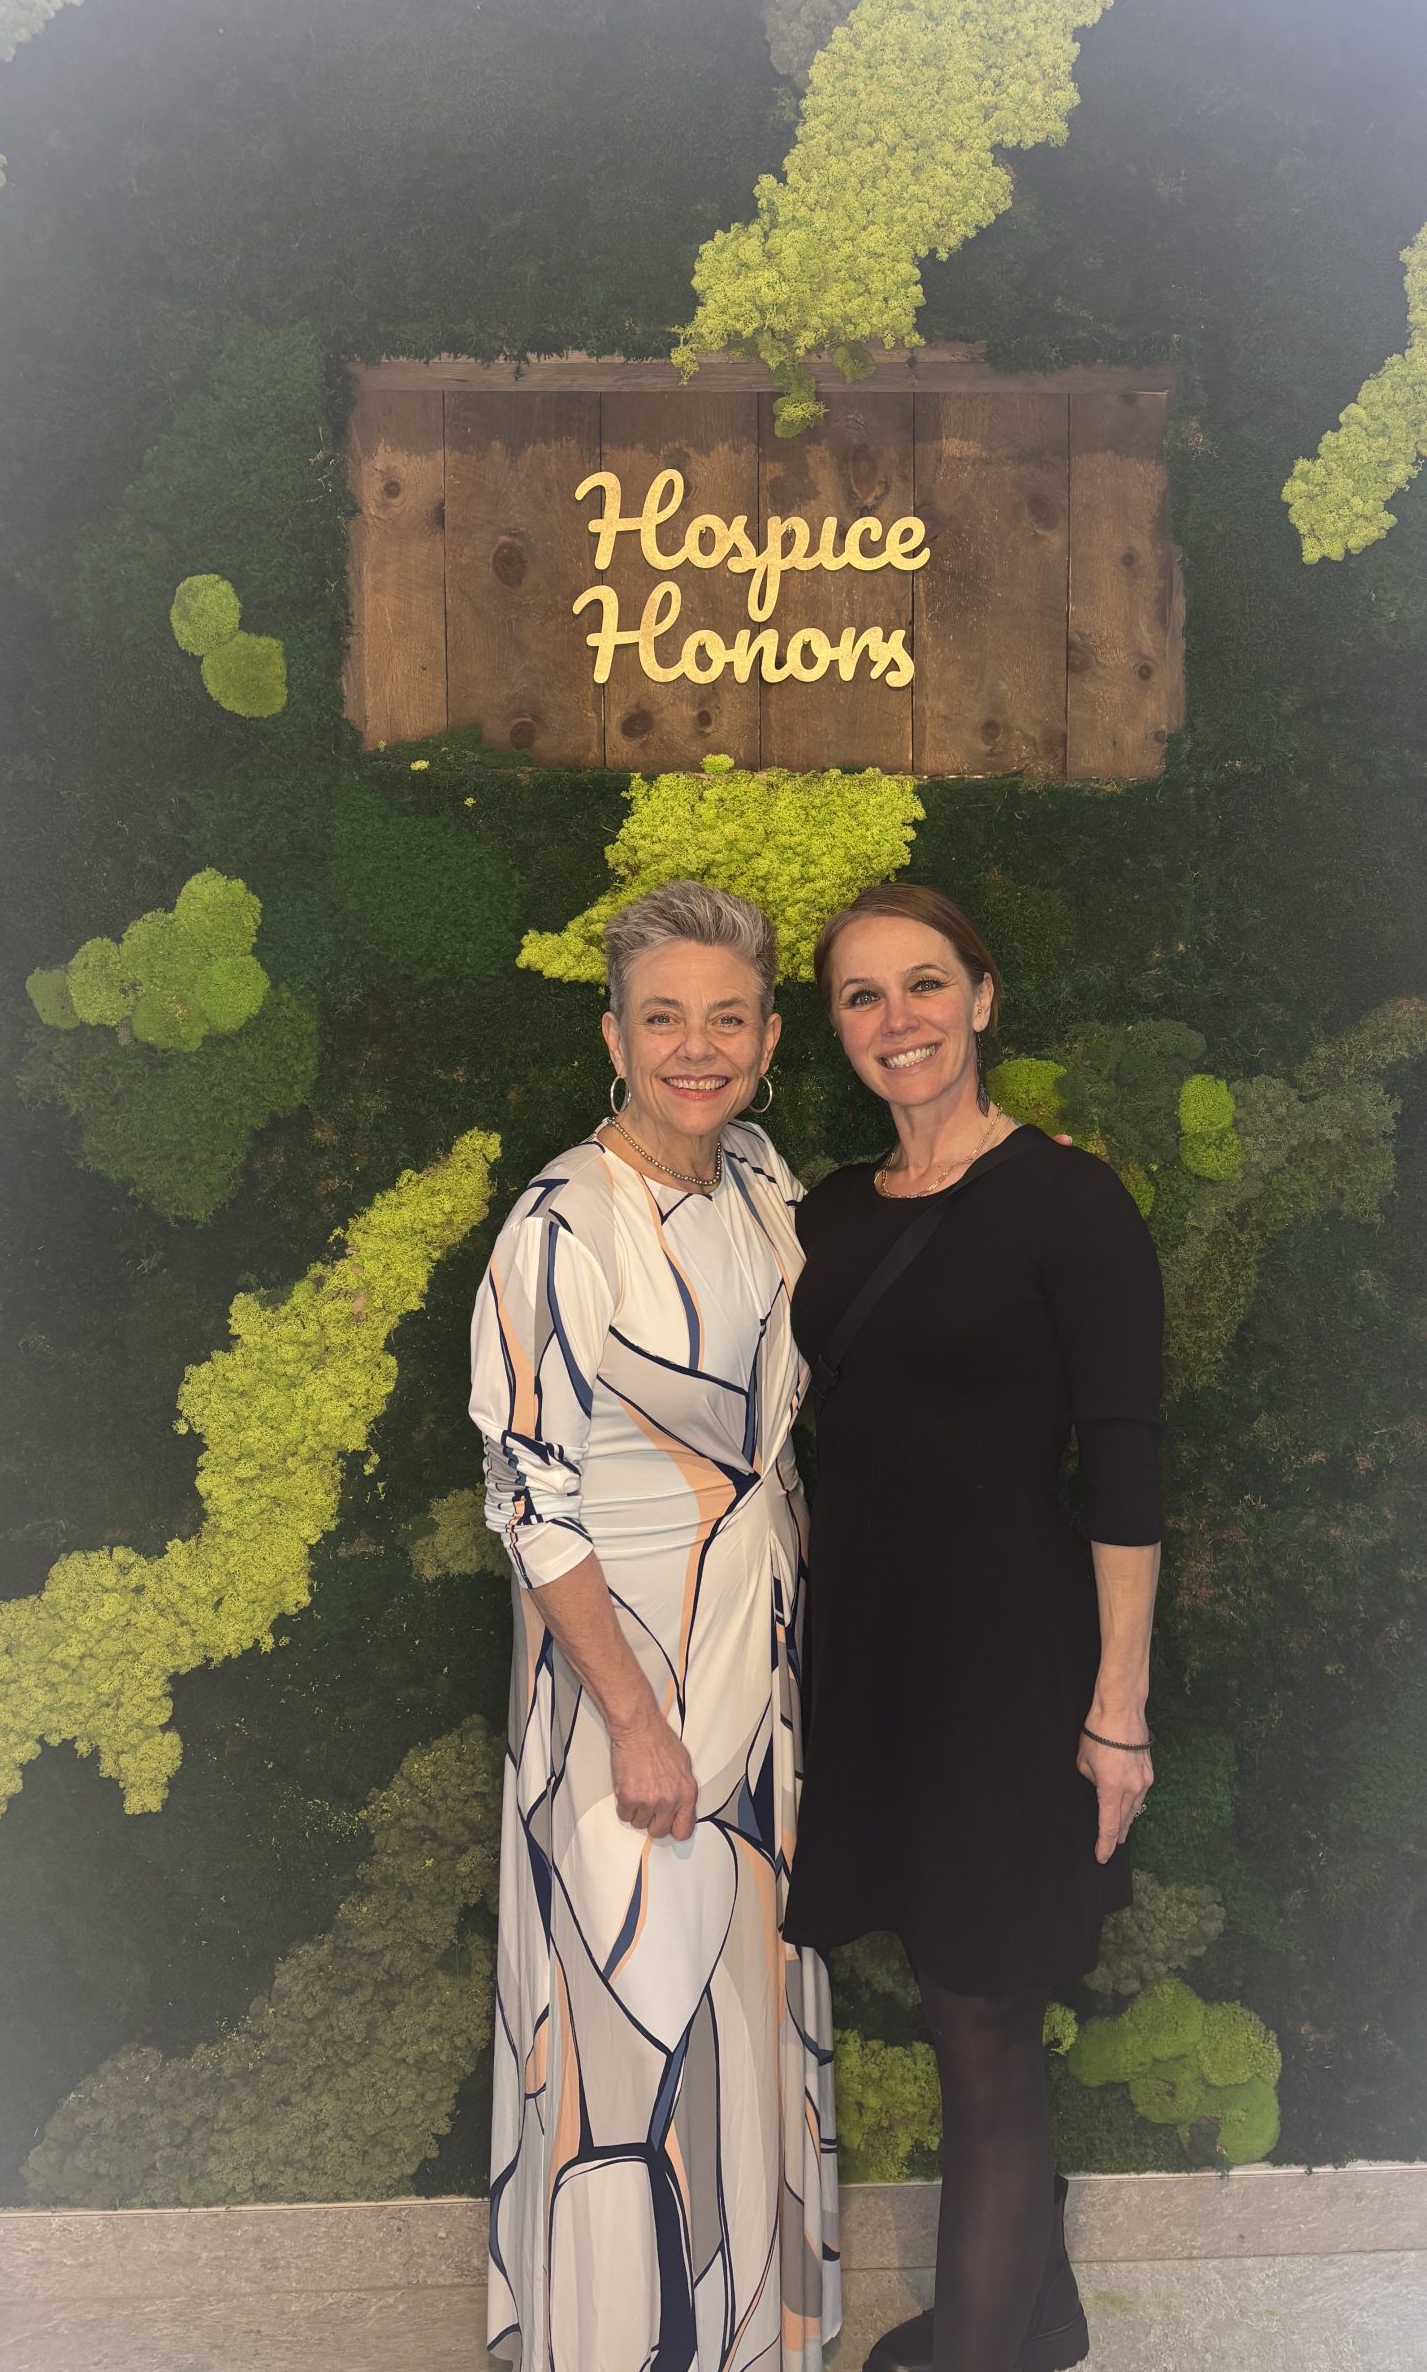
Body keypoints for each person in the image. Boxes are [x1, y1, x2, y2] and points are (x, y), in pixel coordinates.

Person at [786, 883, 1164, 2372]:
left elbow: (1124, 1463)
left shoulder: (1071, 1203)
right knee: (952, 1995)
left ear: (983, 998)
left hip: (1011, 1671)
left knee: (985, 2021)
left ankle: (986, 2352)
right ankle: (1038, 2312)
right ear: (837, 1030)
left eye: (926, 984)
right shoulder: (823, 1212)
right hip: (876, 1667)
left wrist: (1118, 1712)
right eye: (863, 996)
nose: (900, 1020)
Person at [468, 880, 839, 2372]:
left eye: (728, 1018)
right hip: (628, 1695)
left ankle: (746, 2342)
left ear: (768, 1040)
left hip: (762, 1683)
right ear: (612, 1036)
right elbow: (529, 1498)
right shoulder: (561, 1223)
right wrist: (632, 1720)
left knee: (743, 2015)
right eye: (665, 1017)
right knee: (630, 2031)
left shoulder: (761, 1178)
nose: (699, 1047)